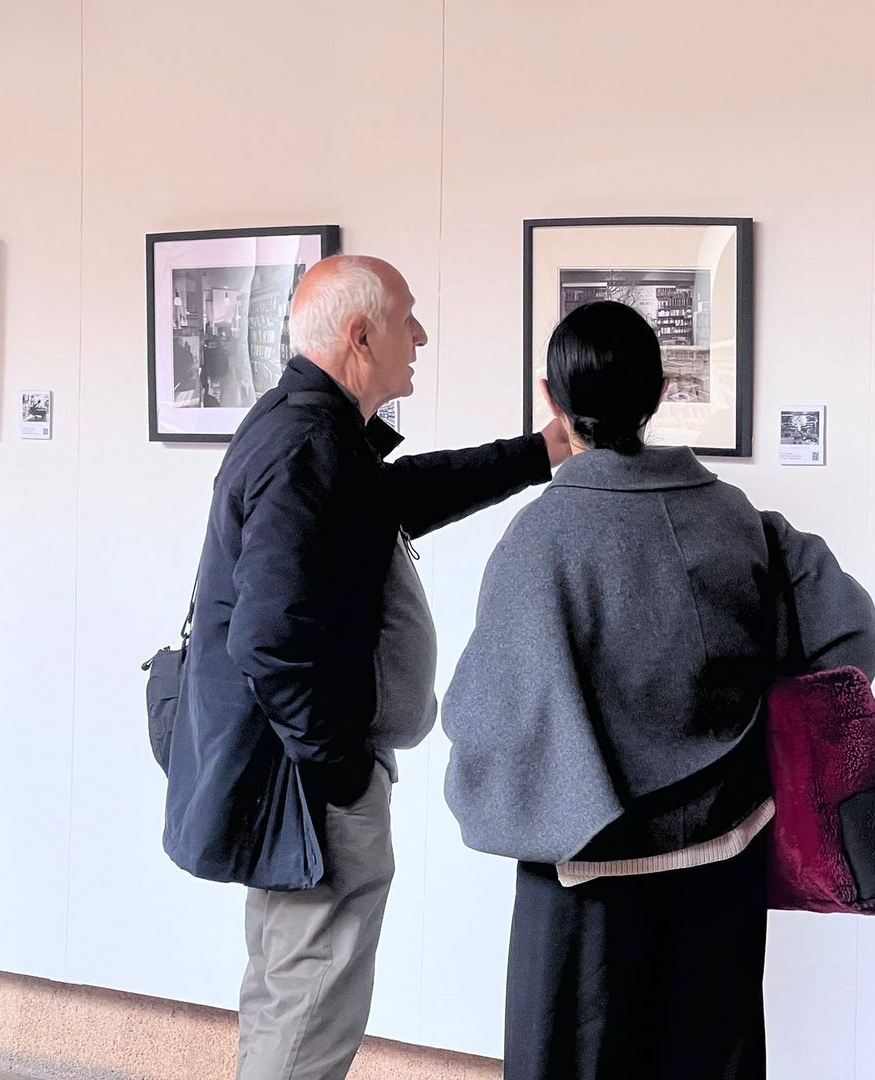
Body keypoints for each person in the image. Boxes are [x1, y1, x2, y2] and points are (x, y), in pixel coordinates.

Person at [443, 301, 875, 1080]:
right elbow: (851, 637)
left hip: (589, 876)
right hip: (724, 851)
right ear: (662, 391)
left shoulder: (542, 536)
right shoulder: (735, 515)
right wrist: (755, 742)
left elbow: (489, 717)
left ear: (550, 398)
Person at [162, 255, 573, 1080]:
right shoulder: (308, 444)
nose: (419, 336)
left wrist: (541, 451)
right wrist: (339, 768)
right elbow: (270, 640)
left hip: (289, 774)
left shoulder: (307, 429)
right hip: (308, 786)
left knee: (288, 990)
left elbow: (397, 497)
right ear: (359, 336)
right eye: (406, 319)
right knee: (309, 1004)